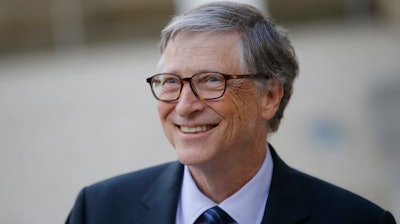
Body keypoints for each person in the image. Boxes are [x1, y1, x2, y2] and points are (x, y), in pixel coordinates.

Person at [66, 2, 397, 224]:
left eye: (211, 80)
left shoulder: (357, 221)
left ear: (269, 95)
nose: (184, 106)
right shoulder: (98, 211)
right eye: (170, 82)